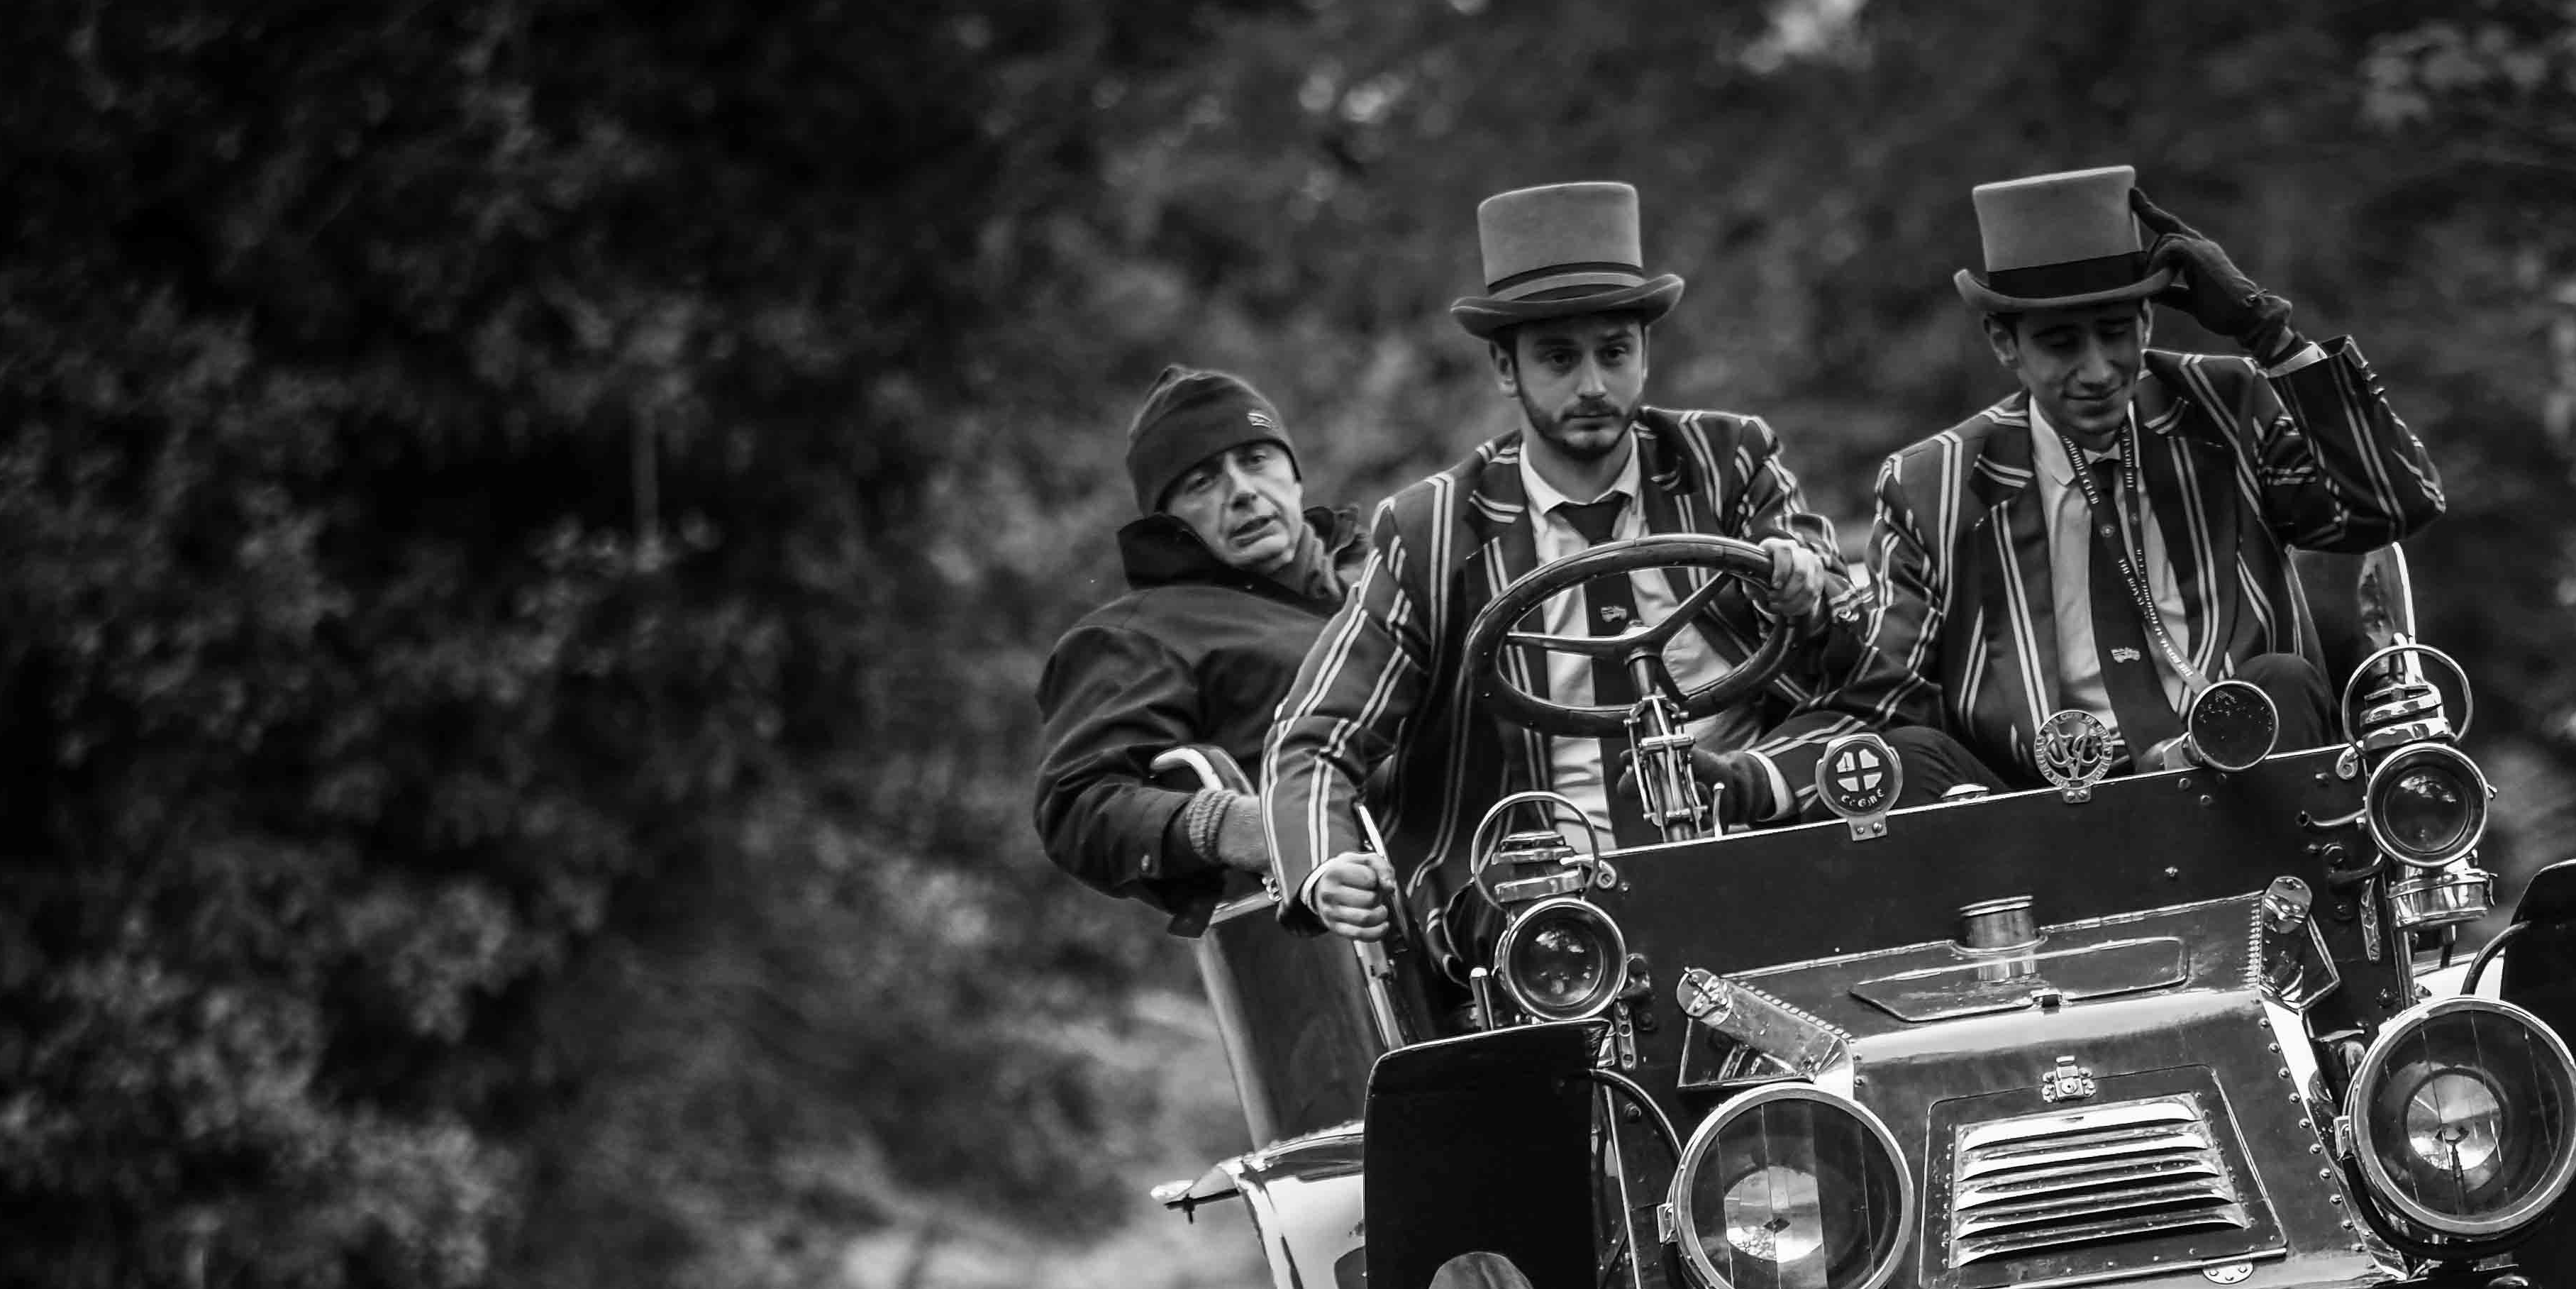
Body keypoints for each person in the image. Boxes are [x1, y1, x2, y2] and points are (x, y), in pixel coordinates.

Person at [1266, 181, 1870, 975]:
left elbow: (1851, 640)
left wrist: (1802, 592)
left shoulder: (1728, 464)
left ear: (1645, 355)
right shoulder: (1431, 530)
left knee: (1911, 772)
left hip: (1756, 849)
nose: (1592, 385)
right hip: (1541, 907)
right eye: (1559, 357)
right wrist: (1322, 868)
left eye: (1614, 352)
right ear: (1504, 367)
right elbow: (1313, 739)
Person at [1857, 165, 2445, 788]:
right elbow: (1881, 694)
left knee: (2281, 680)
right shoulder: (1932, 483)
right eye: (2060, 344)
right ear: (2005, 343)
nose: (2097, 372)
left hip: (2238, 775)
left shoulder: (2226, 405)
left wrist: (2269, 334)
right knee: (1906, 755)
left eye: (2115, 334)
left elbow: (2393, 504)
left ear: (2147, 321)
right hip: (2043, 807)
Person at [1032, 366, 1353, 932]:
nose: (1243, 491)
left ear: (1294, 474)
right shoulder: (1139, 636)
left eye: (1256, 459)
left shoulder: (1392, 569)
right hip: (1343, 927)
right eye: (1202, 482)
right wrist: (1225, 825)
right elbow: (1076, 803)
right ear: (1169, 519)